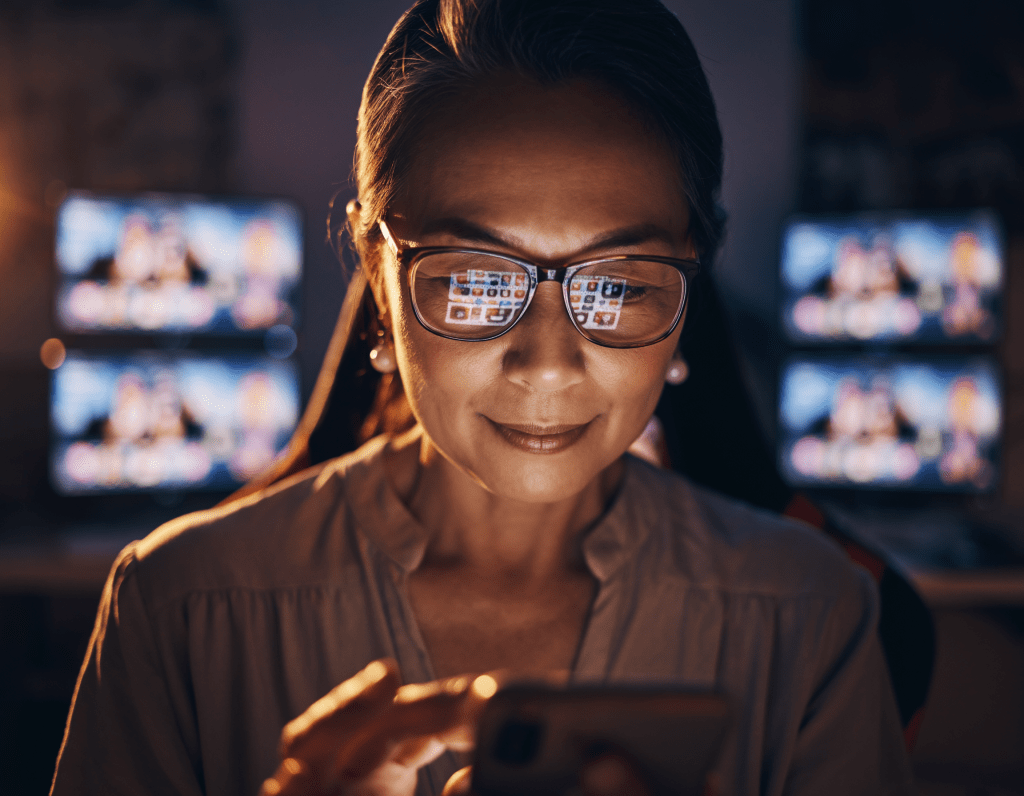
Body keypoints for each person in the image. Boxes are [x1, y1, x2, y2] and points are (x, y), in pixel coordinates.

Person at [50, 1, 914, 794]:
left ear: (689, 297)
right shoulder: (179, 609)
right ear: (380, 285)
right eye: (473, 280)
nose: (546, 365)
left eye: (617, 285)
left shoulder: (809, 617)